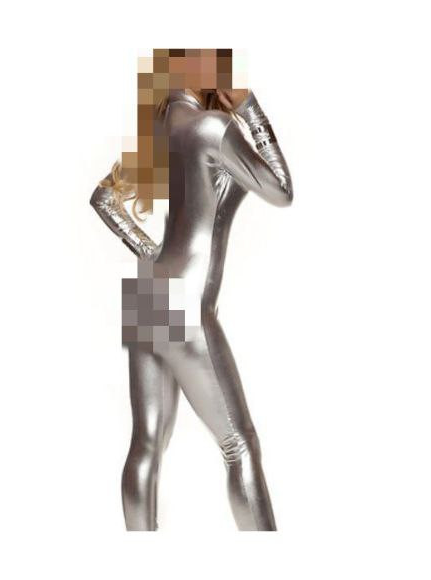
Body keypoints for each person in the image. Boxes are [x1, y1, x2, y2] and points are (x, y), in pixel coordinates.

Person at [90, 48, 293, 531]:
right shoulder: (212, 129)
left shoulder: (158, 132)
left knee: (147, 444)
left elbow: (103, 198)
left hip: (149, 293)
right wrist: (250, 107)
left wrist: (148, 254)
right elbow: (281, 190)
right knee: (239, 446)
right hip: (186, 301)